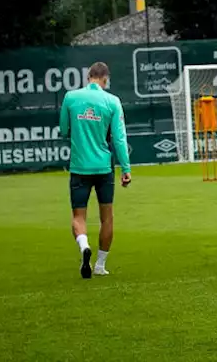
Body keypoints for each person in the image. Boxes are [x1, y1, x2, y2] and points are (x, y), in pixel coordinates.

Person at [59, 62, 131, 278]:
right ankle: (100, 264)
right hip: (104, 167)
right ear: (105, 79)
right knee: (106, 217)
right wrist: (126, 168)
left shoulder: (70, 98)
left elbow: (64, 130)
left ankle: (84, 247)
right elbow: (119, 138)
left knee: (78, 216)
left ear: (88, 76)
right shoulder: (112, 101)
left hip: (80, 166)